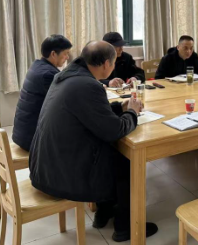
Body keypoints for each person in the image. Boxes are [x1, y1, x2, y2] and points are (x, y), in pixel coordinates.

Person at [29, 41, 158, 242]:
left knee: (110, 152)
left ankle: (104, 212)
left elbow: (90, 113)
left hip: (47, 163)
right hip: (60, 173)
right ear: (106, 64)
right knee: (126, 160)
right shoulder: (87, 85)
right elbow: (114, 131)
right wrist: (132, 112)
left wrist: (120, 108)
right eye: (113, 63)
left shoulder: (68, 76)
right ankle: (126, 226)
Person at [12, 35, 72, 152]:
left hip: (23, 133)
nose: (67, 57)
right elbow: (65, 103)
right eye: (65, 53)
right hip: (32, 139)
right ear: (53, 54)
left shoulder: (37, 66)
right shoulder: (47, 75)